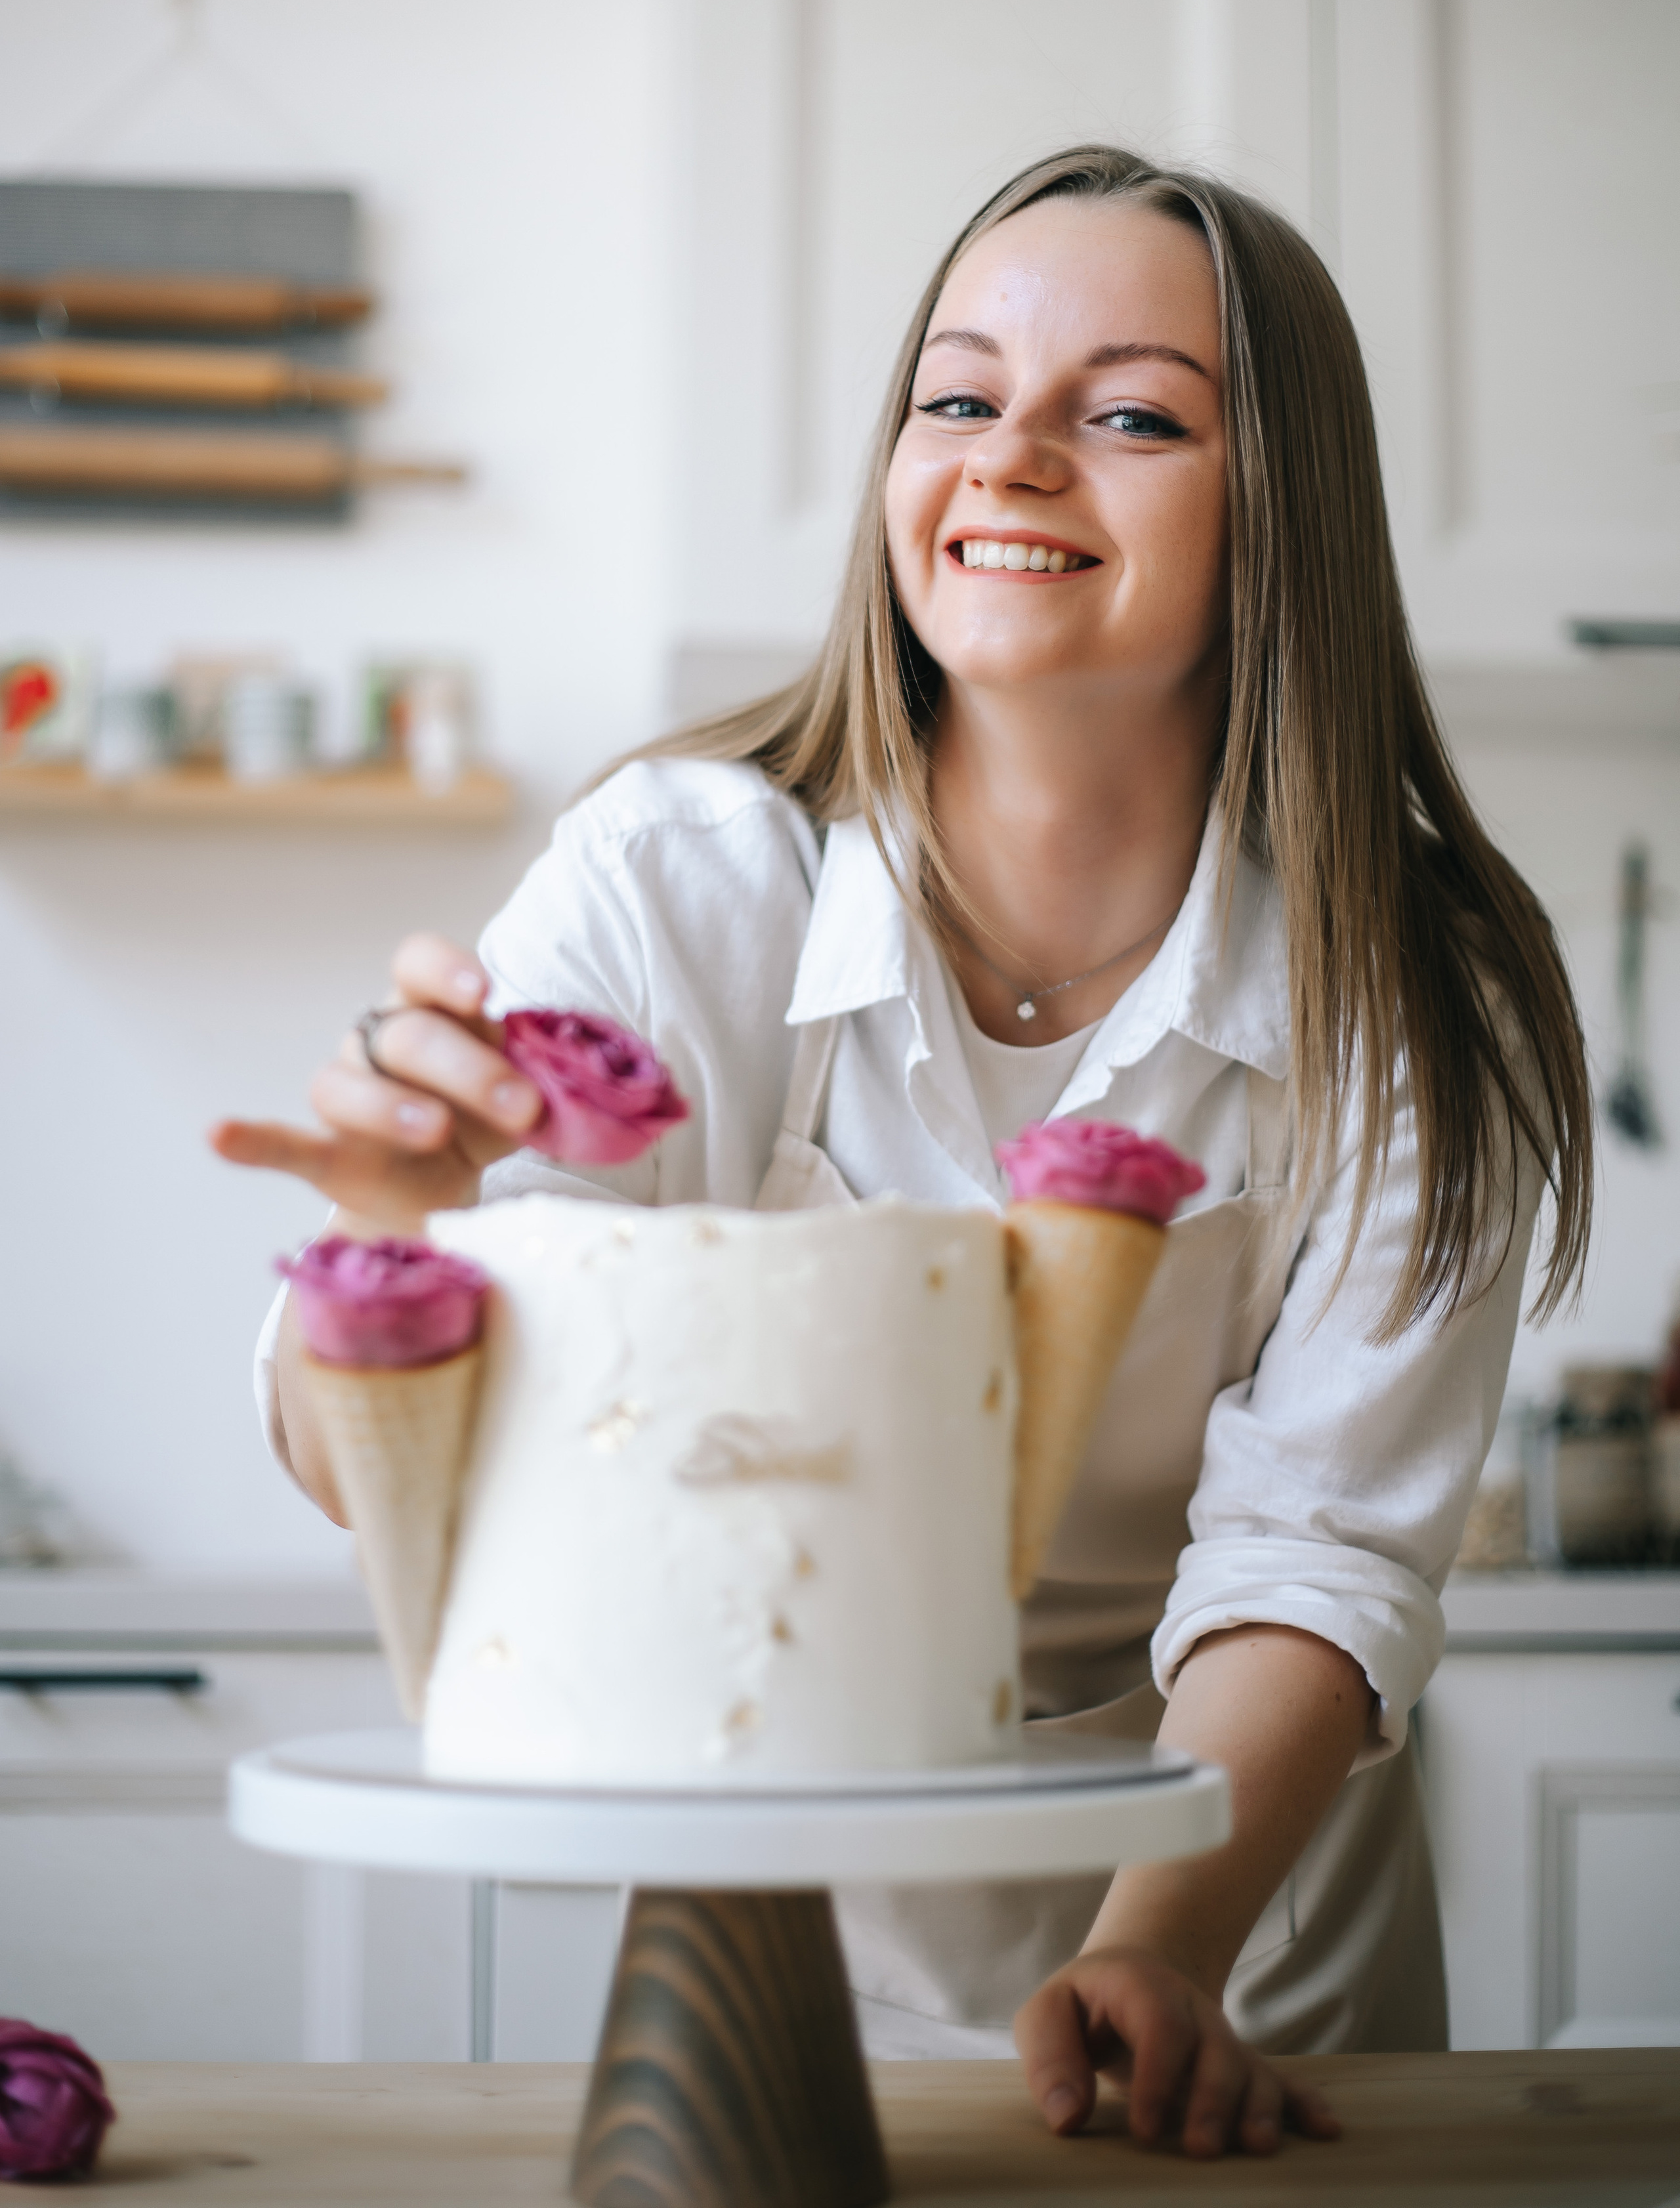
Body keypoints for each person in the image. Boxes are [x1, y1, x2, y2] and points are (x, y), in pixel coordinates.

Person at [217, 144, 1591, 2161]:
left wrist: (1161, 1953)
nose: (1013, 457)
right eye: (959, 397)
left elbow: (1319, 1550)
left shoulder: (1412, 987)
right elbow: (405, 1481)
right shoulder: (676, 877)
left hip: (1239, 1969)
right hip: (785, 1954)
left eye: (1129, 415)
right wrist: (396, 1261)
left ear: (1285, 510)